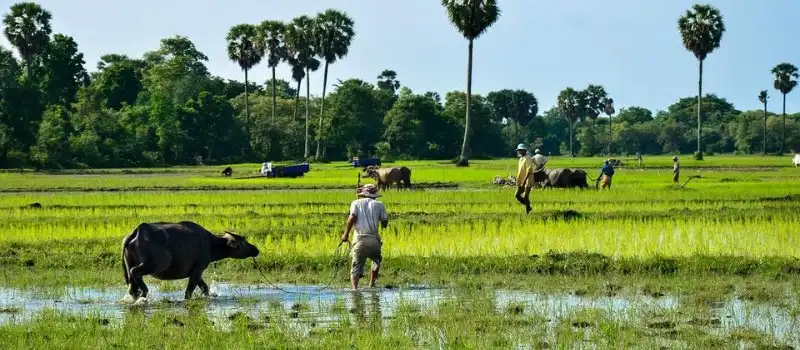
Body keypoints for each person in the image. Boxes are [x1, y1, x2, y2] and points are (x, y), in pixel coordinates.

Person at [341, 184, 389, 290]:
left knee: (356, 266)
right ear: (375, 195)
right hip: (374, 241)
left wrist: (345, 234)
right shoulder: (379, 204)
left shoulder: (356, 203)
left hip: (360, 241)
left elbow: (352, 217)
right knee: (376, 260)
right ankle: (372, 284)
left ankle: (355, 290)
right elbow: (385, 222)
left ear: (363, 194)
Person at [515, 143, 534, 214]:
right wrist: (520, 180)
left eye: (520, 150)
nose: (519, 151)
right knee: (517, 195)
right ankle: (528, 206)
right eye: (518, 150)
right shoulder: (520, 159)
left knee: (526, 196)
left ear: (524, 150)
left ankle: (527, 212)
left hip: (527, 180)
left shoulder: (528, 158)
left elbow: (529, 171)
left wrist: (524, 181)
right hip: (521, 180)